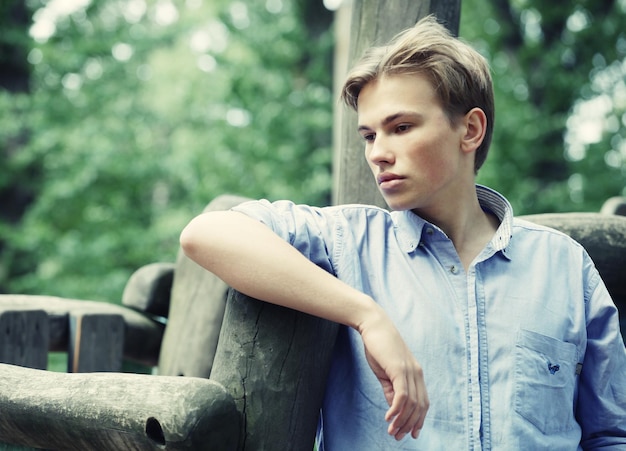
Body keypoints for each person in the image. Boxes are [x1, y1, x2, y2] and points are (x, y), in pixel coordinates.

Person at [180, 16, 626, 450]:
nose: (378, 154)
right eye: (369, 136)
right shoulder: (346, 242)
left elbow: (611, 434)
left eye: (401, 128)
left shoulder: (565, 266)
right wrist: (365, 315)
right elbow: (207, 234)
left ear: (469, 130)